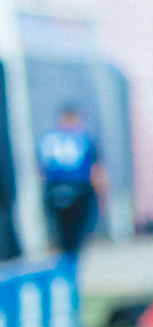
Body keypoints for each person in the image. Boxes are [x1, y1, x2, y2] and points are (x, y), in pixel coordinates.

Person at [39, 103, 106, 256]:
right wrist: (101, 197)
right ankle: (71, 262)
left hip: (55, 191)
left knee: (62, 235)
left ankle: (66, 260)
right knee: (77, 234)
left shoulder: (47, 140)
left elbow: (41, 170)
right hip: (78, 189)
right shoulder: (84, 139)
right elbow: (96, 171)